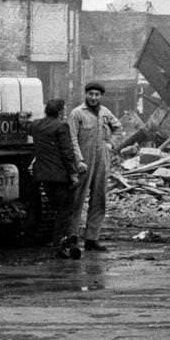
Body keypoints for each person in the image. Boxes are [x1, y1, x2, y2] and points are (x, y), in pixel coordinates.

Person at [25, 98, 87, 259]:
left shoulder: (37, 125)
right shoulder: (61, 126)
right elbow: (67, 153)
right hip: (61, 177)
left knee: (56, 209)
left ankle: (61, 241)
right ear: (60, 112)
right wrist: (73, 174)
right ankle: (60, 245)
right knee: (64, 212)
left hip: (44, 176)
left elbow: (25, 125)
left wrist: (21, 117)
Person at [68, 81, 123, 252]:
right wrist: (78, 160)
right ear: (86, 95)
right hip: (84, 162)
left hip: (102, 161)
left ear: (101, 96)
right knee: (77, 199)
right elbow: (72, 139)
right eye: (90, 94)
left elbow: (118, 128)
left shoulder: (105, 112)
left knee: (99, 199)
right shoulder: (77, 113)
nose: (93, 97)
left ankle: (92, 239)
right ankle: (72, 237)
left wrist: (111, 144)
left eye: (97, 95)